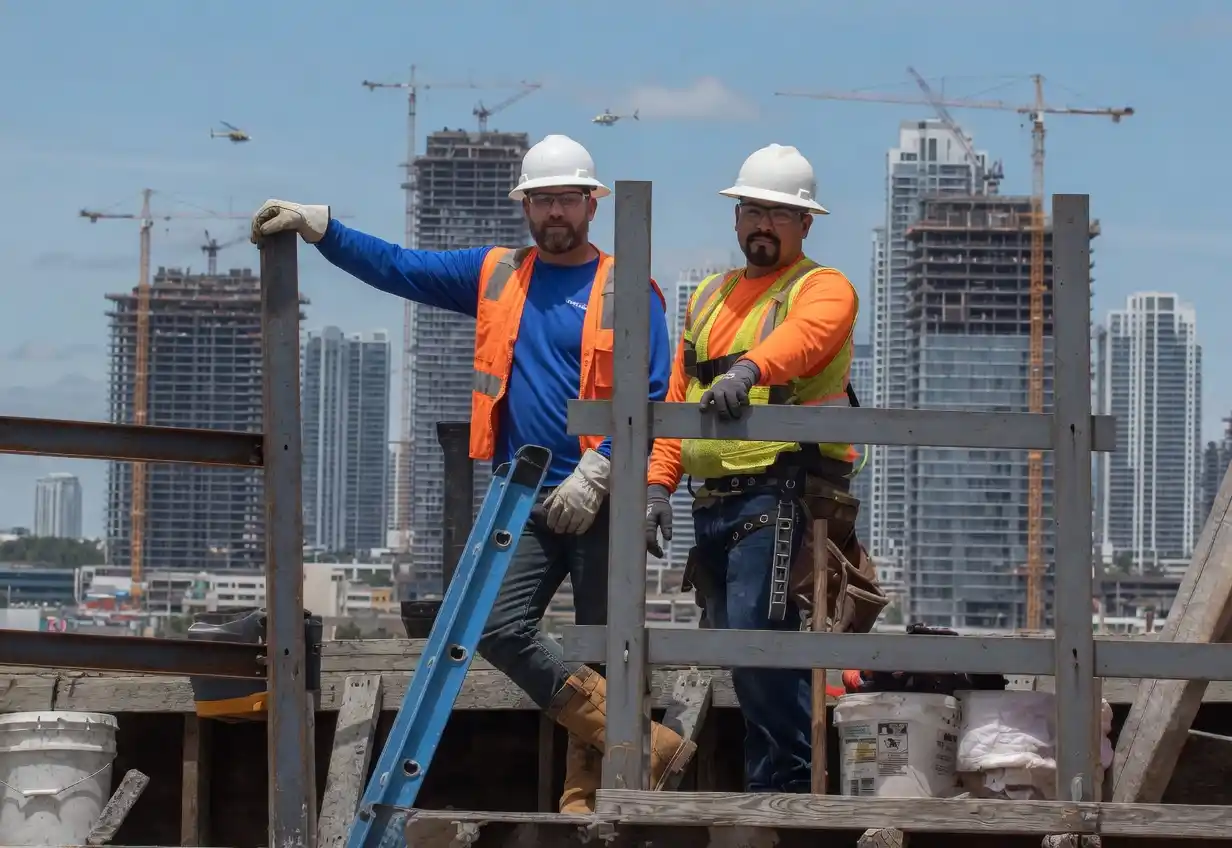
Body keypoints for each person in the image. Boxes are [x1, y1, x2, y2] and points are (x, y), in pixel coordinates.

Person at [250, 134, 697, 812]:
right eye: (543, 200)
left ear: (591, 204)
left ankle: (591, 800)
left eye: (566, 200)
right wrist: (325, 230)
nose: (555, 214)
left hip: (606, 496)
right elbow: (402, 268)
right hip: (526, 495)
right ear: (525, 206)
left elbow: (661, 390)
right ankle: (643, 745)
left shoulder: (629, 288)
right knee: (491, 623)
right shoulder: (496, 274)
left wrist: (602, 468)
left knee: (612, 649)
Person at [642, 143, 888, 793]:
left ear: (805, 224)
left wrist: (751, 370)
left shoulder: (823, 288)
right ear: (735, 218)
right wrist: (658, 486)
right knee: (741, 656)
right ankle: (772, 786)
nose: (762, 223)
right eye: (752, 209)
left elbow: (804, 339)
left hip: (779, 495)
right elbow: (676, 397)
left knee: (758, 647)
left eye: (778, 213)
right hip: (714, 504)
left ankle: (790, 786)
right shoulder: (710, 298)